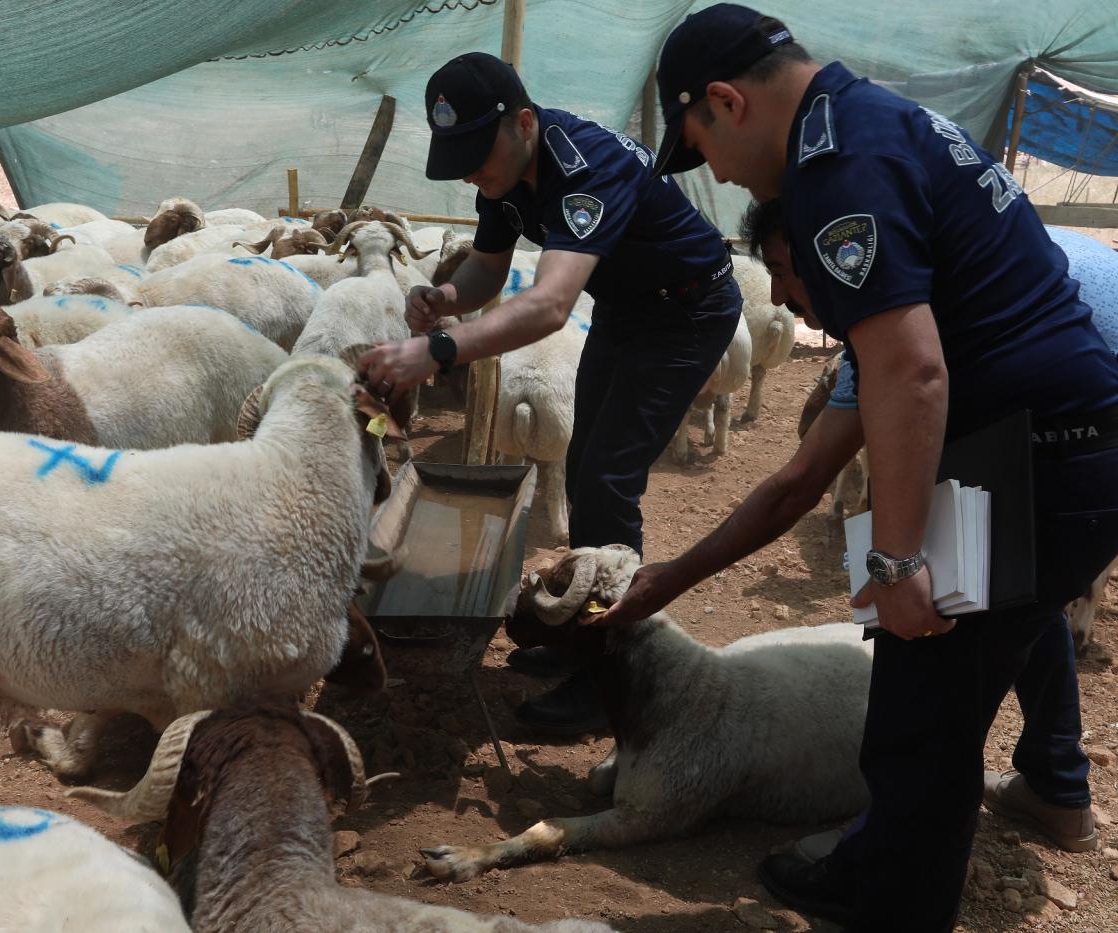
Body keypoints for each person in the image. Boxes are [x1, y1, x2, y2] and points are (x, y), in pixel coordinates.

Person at [623, 5, 1118, 931]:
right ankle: (876, 863)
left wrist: (894, 563)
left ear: (727, 102)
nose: (721, 173)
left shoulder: (835, 168)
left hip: (1032, 461)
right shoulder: (872, 120)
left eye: (704, 149)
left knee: (925, 721)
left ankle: (893, 903)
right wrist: (675, 578)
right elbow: (804, 475)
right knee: (920, 699)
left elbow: (911, 368)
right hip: (1044, 455)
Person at [358, 52, 743, 734]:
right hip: (627, 310)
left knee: (606, 477)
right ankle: (585, 637)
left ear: (524, 123)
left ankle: (610, 671)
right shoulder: (503, 178)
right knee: (582, 463)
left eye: (478, 152)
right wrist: (445, 297)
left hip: (687, 312)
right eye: (460, 157)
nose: (474, 171)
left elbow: (549, 305)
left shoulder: (584, 169)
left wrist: (438, 349)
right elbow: (486, 267)